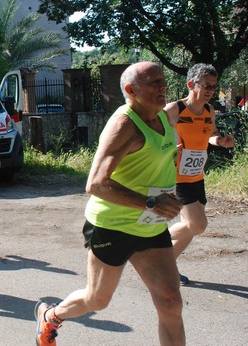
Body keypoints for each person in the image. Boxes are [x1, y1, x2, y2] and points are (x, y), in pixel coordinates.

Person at [35, 62, 185, 346]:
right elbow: (95, 184)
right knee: (97, 299)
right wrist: (152, 202)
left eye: (163, 80)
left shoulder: (163, 116)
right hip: (113, 225)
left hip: (150, 225)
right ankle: (51, 316)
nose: (162, 86)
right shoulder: (124, 126)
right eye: (153, 82)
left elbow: (191, 103)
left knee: (171, 302)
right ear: (131, 90)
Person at [164, 64, 234, 285]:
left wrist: (219, 141)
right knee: (198, 225)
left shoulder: (209, 111)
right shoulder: (174, 110)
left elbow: (211, 134)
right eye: (206, 85)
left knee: (191, 228)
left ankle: (166, 269)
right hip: (175, 177)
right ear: (191, 84)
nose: (211, 90)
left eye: (213, 87)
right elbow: (153, 136)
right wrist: (168, 148)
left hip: (197, 176)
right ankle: (153, 243)